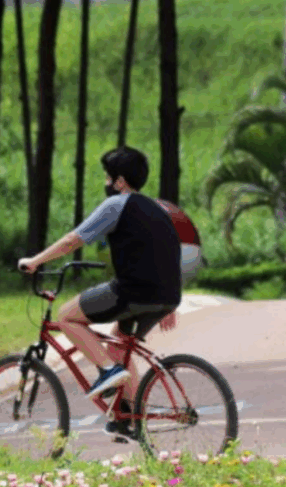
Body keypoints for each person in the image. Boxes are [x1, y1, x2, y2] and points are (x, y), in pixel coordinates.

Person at [18, 146, 183, 441]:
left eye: (108, 177)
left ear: (119, 181)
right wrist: (167, 303)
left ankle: (106, 371)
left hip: (134, 291)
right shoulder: (159, 208)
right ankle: (130, 418)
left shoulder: (116, 205)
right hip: (167, 293)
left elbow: (73, 240)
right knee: (121, 343)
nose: (105, 183)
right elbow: (169, 251)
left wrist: (35, 261)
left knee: (67, 316)